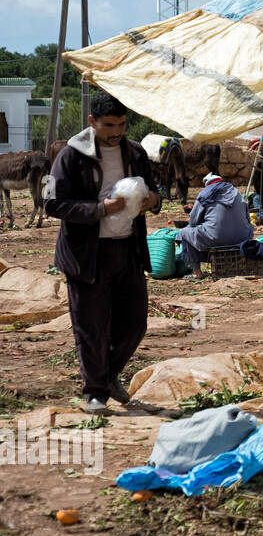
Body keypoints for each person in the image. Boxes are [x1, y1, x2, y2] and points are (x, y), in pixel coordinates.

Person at [44, 92, 163, 414]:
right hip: (87, 255)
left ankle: (108, 376)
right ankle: (94, 393)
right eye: (109, 125)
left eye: (122, 124)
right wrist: (100, 209)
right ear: (92, 122)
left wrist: (152, 200)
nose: (117, 131)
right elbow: (52, 203)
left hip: (127, 250)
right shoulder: (70, 156)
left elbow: (155, 188)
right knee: (92, 327)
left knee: (134, 324)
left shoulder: (135, 152)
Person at [174, 173, 255, 279]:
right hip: (242, 239)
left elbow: (193, 221)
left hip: (216, 238)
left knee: (184, 233)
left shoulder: (205, 193)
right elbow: (247, 219)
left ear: (207, 184)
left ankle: (196, 272)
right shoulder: (237, 192)